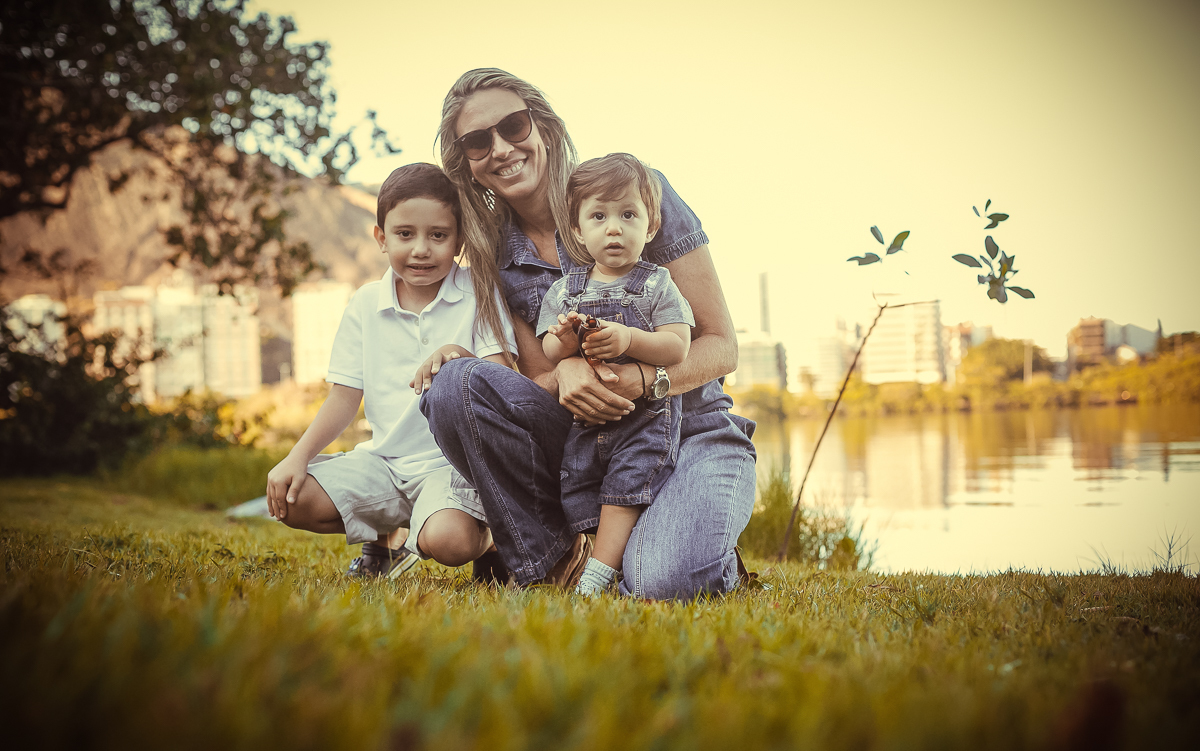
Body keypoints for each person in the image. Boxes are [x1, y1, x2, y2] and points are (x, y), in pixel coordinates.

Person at [423, 68, 756, 600]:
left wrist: (643, 378)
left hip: (689, 429)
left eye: (513, 125)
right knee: (456, 385)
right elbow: (541, 379)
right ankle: (562, 559)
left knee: (662, 582)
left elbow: (721, 345)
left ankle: (685, 545)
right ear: (466, 162)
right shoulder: (496, 258)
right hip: (586, 443)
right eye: (478, 141)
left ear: (545, 129)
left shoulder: (637, 191)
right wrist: (570, 365)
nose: (502, 147)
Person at [265, 162, 516, 577]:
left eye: (438, 235)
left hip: (449, 468)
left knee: (450, 543)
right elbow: (344, 398)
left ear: (458, 239)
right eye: (405, 234)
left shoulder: (477, 291)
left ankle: (490, 536)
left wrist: (460, 357)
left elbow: (504, 382)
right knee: (290, 498)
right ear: (381, 237)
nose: (421, 249)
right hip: (383, 463)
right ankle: (382, 542)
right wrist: (297, 456)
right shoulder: (365, 303)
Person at [539, 154, 694, 596]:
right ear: (577, 231)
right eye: (599, 216)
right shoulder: (565, 291)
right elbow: (551, 352)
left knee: (624, 490)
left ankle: (597, 577)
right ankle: (600, 563)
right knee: (582, 487)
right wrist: (566, 340)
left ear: (650, 226)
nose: (614, 228)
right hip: (588, 421)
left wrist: (629, 339)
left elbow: (677, 346)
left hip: (644, 420)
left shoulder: (657, 283)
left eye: (628, 215)